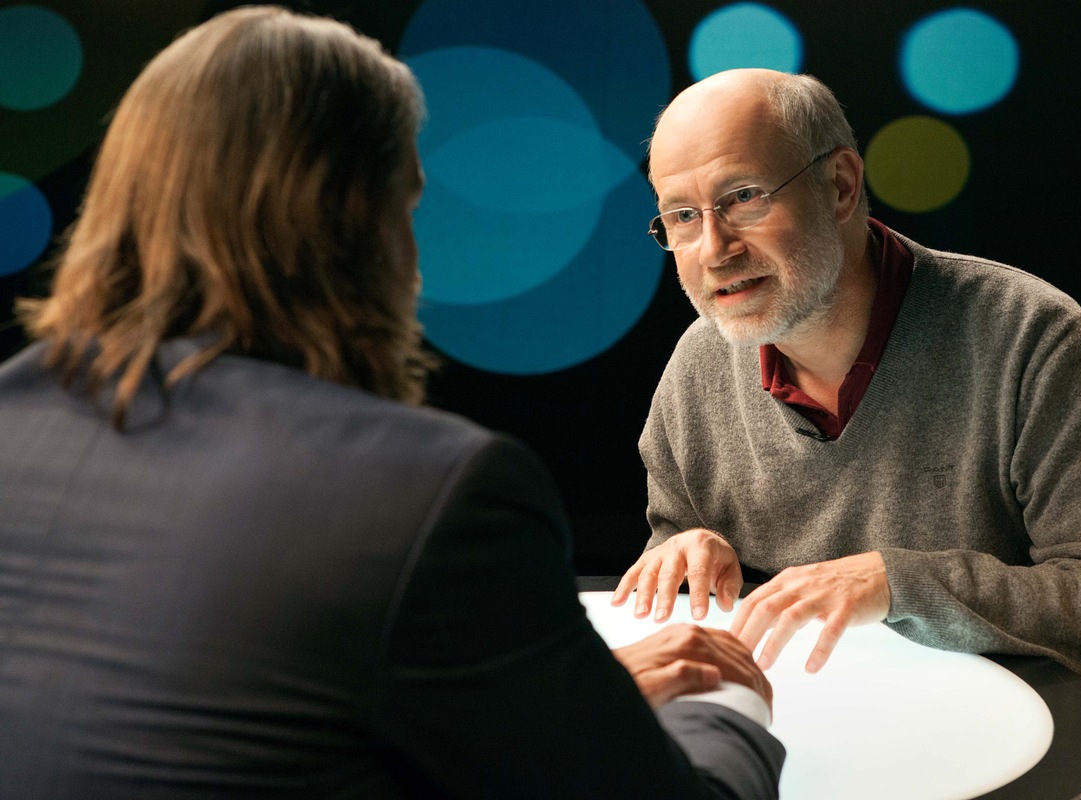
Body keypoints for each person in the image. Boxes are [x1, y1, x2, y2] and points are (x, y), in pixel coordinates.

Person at [0, 9, 785, 798]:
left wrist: (549, 697)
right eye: (410, 205)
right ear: (360, 221)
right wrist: (727, 708)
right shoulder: (433, 494)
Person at [613, 68, 1081, 799]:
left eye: (743, 198)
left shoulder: (1027, 334)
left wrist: (898, 581)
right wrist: (684, 553)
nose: (714, 249)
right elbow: (687, 580)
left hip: (1038, 758)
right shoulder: (699, 361)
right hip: (838, 737)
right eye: (682, 217)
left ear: (841, 185)